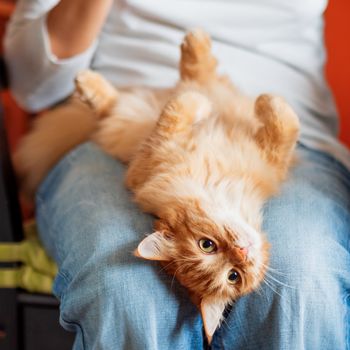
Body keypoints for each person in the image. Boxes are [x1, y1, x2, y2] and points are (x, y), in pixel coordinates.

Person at [4, 1, 350, 349]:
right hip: (127, 117)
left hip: (285, 129)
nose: (240, 253)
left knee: (305, 282)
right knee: (124, 287)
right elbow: (31, 86)